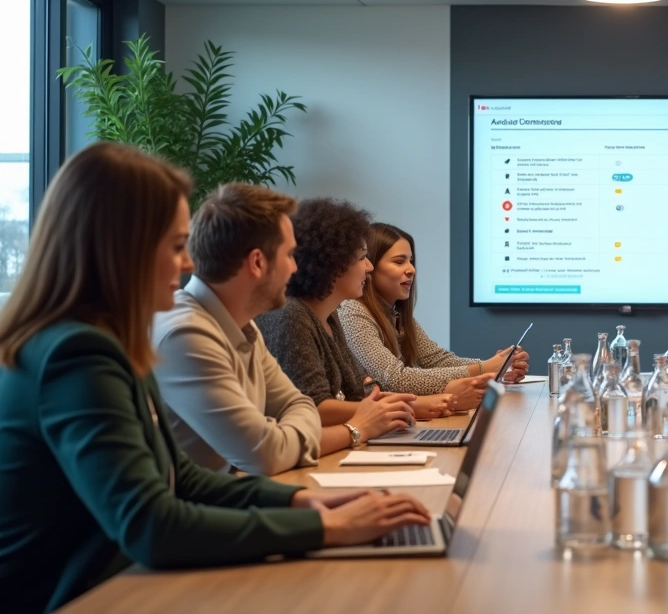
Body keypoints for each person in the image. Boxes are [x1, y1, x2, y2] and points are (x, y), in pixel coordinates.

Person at [0, 143, 430, 614]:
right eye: (175, 246)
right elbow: (152, 525)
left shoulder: (110, 340)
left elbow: (182, 479)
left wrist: (300, 504)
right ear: (120, 248)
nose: (189, 264)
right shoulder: (76, 354)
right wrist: (326, 529)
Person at [153, 184, 415, 475]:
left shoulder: (243, 325)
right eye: (289, 255)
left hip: (240, 489)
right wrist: (356, 429)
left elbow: (299, 404)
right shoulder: (186, 335)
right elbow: (265, 453)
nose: (295, 267)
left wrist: (286, 432)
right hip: (209, 499)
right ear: (257, 262)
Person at [258, 199, 456, 427]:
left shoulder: (330, 317)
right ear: (333, 263)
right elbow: (315, 407)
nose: (369, 267)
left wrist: (411, 403)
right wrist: (406, 406)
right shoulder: (291, 316)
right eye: (362, 258)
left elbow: (358, 389)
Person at [337, 223, 526, 409]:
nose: (411, 269)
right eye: (399, 261)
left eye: (411, 261)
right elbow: (395, 379)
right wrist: (486, 369)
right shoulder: (352, 311)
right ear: (371, 267)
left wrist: (496, 366)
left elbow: (436, 359)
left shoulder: (396, 314)